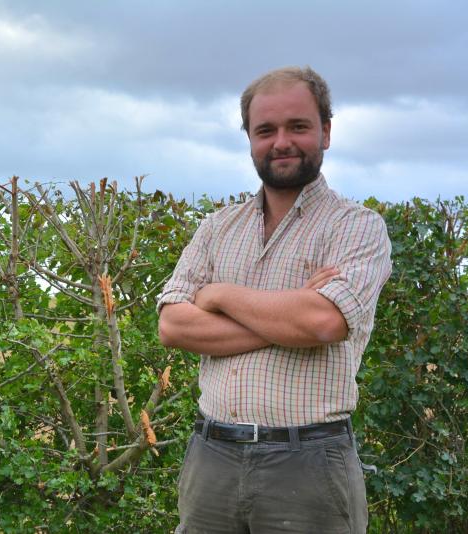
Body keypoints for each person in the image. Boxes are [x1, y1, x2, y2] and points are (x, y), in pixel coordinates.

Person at [157, 66, 392, 533]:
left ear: (325, 131)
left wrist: (218, 294)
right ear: (250, 139)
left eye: (298, 126)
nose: (281, 141)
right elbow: (173, 327)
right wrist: (290, 312)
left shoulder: (356, 227)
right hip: (211, 458)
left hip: (309, 463)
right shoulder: (217, 228)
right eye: (266, 130)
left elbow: (322, 324)